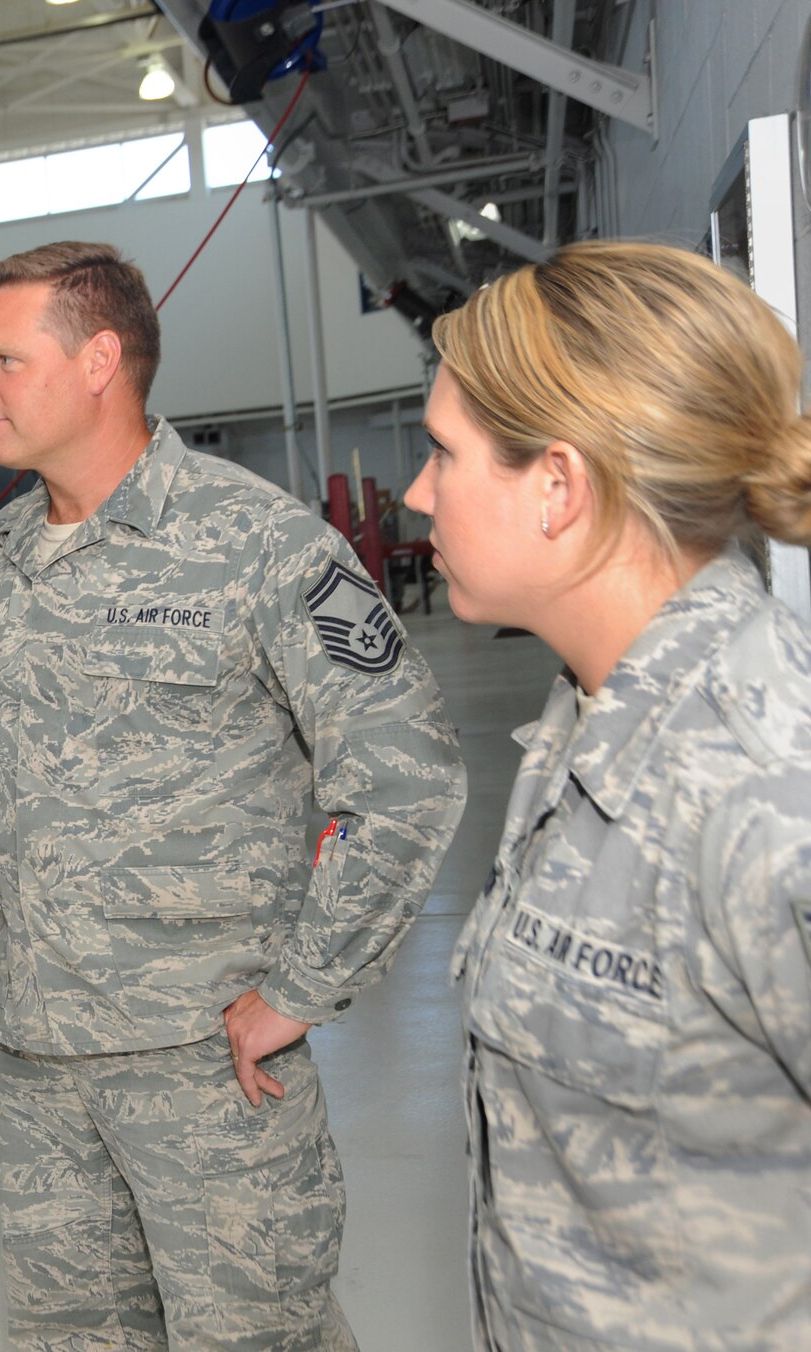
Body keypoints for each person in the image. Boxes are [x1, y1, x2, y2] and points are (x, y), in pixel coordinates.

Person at [0, 240, 466, 1350]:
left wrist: (302, 988)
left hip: (206, 1069)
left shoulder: (257, 545)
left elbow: (405, 773)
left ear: (97, 362)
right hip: (34, 1067)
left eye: (3, 360)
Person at [403, 240, 811, 1350]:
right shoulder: (580, 719)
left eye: (442, 454)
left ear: (557, 487)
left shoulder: (763, 791)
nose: (414, 492)